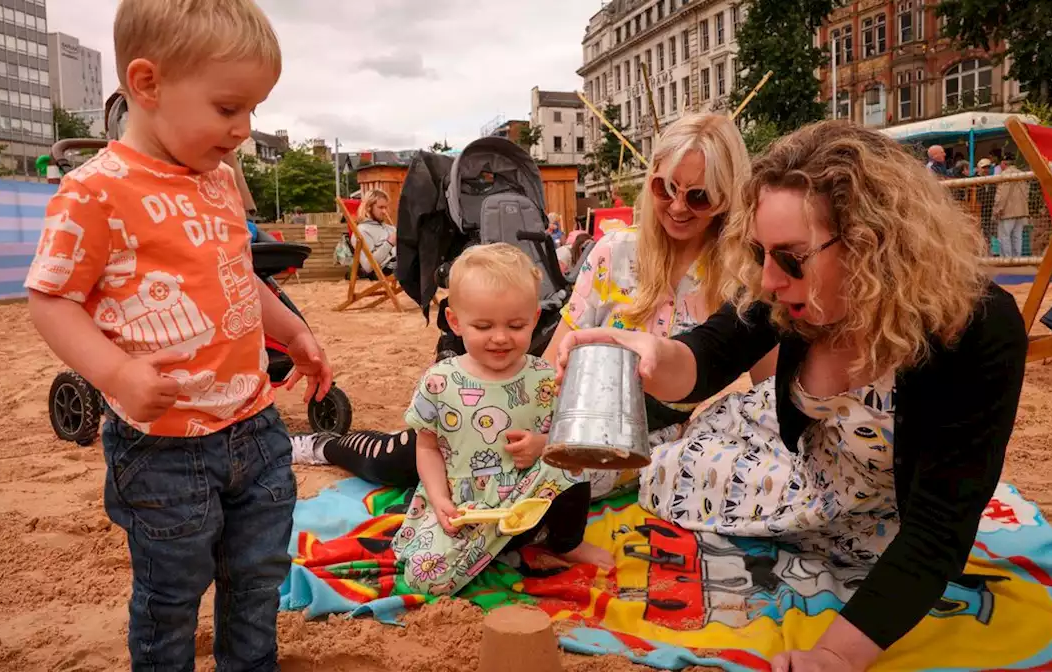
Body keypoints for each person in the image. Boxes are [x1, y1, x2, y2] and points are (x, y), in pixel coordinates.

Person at [555, 121, 1027, 670]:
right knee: (663, 475)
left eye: (791, 257)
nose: (770, 280)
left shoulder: (975, 328)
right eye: (759, 253)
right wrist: (653, 356)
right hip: (801, 456)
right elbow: (710, 354)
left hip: (886, 506)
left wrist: (834, 655)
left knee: (869, 561)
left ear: (869, 242)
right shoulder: (783, 292)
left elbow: (939, 532)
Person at [23, 1, 333, 669]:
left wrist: (294, 332)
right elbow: (51, 300)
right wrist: (114, 374)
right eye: (228, 109)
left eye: (253, 110)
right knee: (171, 595)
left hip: (255, 425)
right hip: (161, 450)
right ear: (148, 84)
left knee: (257, 578)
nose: (244, 129)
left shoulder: (219, 182)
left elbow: (238, 277)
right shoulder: (94, 192)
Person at [295, 114, 764, 503]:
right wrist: (516, 420)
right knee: (422, 451)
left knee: (544, 488)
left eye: (698, 195)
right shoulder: (616, 252)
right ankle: (327, 445)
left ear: (727, 195)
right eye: (665, 188)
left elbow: (770, 390)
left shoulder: (740, 283)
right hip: (563, 413)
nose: (678, 207)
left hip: (645, 443)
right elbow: (550, 365)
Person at [393, 243, 612, 595]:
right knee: (425, 577)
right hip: (467, 507)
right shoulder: (439, 381)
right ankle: (509, 553)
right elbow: (428, 449)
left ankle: (565, 543)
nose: (500, 337)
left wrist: (543, 446)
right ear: (455, 321)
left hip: (528, 500)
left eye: (515, 325)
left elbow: (569, 435)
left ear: (535, 319)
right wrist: (439, 499)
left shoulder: (544, 376)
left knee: (571, 465)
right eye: (483, 325)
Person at [354, 189, 397, 278]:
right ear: (368, 207)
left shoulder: (389, 228)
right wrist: (389, 243)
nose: (384, 211)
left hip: (399, 262)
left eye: (385, 207)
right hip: (384, 268)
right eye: (381, 207)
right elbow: (368, 266)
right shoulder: (362, 231)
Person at [993, 156, 1030, 257]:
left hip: (1007, 210)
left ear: (1004, 163)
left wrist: (998, 209)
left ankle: (1007, 258)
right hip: (1021, 210)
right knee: (1017, 236)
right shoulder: (1023, 174)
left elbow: (1002, 195)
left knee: (1004, 235)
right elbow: (1027, 193)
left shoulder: (1004, 175)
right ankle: (1017, 258)